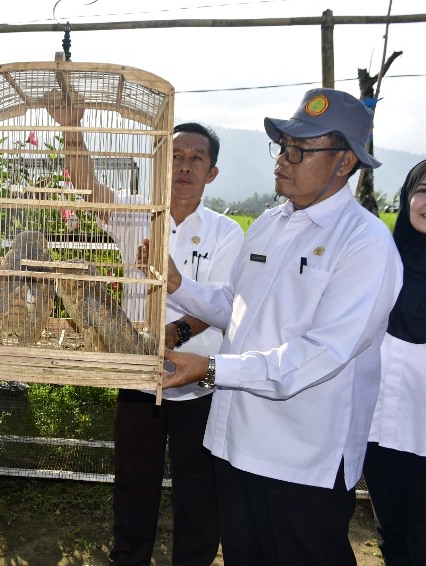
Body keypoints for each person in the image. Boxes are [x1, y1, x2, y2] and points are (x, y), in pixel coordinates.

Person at [162, 88, 403, 565]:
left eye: (300, 150)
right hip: (235, 442)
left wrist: (210, 370)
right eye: (283, 146)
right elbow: (236, 304)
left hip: (301, 459)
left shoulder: (365, 244)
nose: (283, 160)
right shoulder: (271, 223)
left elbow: (322, 353)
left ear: (345, 162)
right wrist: (178, 284)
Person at [48, 95, 242, 565]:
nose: (185, 166)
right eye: (175, 156)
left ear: (211, 173)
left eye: (197, 158)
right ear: (161, 162)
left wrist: (174, 330)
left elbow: (226, 304)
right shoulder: (138, 215)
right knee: (134, 486)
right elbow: (89, 186)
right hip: (138, 374)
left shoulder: (226, 233)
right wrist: (73, 128)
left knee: (199, 494)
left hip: (198, 381)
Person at [363, 159, 426, 566]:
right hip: (381, 425)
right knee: (394, 535)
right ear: (407, 198)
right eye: (423, 190)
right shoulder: (381, 259)